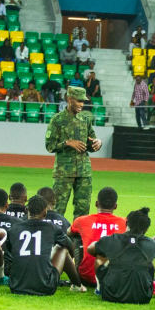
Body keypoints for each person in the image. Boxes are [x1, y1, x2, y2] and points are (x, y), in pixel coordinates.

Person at [2, 194, 76, 296]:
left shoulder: (14, 229)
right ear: (45, 212)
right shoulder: (52, 228)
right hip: (46, 287)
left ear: (27, 210)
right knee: (62, 249)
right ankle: (77, 285)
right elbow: (69, 244)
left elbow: (9, 251)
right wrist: (74, 260)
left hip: (16, 286)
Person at [45, 86, 100, 218]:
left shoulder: (86, 120)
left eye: (83, 101)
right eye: (79, 101)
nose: (82, 104)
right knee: (58, 208)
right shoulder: (57, 120)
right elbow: (49, 145)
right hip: (64, 171)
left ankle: (78, 238)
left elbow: (91, 142)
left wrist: (98, 143)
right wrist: (67, 143)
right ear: (69, 99)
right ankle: (56, 236)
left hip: (84, 171)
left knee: (83, 209)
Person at [89, 207, 155, 304]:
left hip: (111, 295)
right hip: (143, 297)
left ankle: (99, 288)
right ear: (146, 229)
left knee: (100, 257)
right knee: (149, 265)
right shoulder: (153, 244)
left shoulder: (111, 239)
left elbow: (90, 249)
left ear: (126, 223)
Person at [70, 187, 126, 292]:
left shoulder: (82, 220)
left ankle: (76, 274)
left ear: (96, 203)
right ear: (115, 206)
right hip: (114, 277)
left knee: (77, 238)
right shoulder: (125, 222)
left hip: (87, 278)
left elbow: (68, 233)